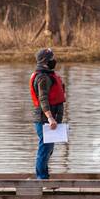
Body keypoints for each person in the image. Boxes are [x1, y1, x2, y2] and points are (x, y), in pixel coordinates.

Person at [30, 47, 65, 180]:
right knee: (44, 149)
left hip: (51, 119)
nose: (54, 60)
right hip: (44, 119)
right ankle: (41, 179)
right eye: (51, 58)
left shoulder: (49, 74)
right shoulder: (42, 77)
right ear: (45, 61)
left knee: (48, 150)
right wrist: (50, 118)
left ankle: (44, 176)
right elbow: (43, 99)